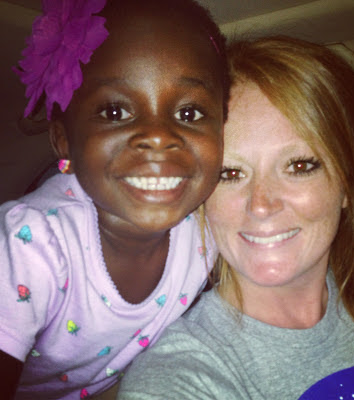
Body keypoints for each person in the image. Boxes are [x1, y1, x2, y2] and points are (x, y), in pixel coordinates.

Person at [117, 36, 354, 399]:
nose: (261, 205)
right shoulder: (181, 375)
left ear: (346, 184)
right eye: (230, 173)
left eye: (299, 166)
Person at [0, 0, 230, 398]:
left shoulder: (210, 230)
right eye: (114, 111)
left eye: (190, 113)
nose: (157, 136)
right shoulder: (28, 246)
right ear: (64, 141)